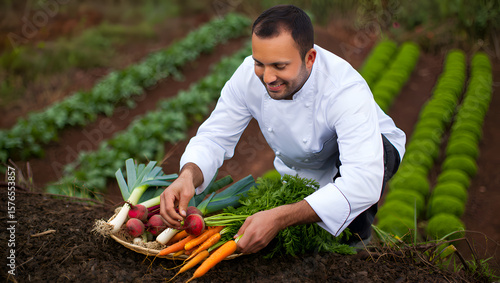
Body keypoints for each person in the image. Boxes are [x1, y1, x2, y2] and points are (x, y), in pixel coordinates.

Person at [160, 4, 405, 254]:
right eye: (260, 63)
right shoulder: (247, 76)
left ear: (309, 59)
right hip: (305, 166)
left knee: (344, 236)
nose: (267, 77)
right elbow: (214, 137)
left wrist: (279, 218)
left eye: (279, 66)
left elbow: (362, 181)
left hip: (371, 152)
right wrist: (187, 176)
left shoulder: (344, 90)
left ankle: (357, 245)